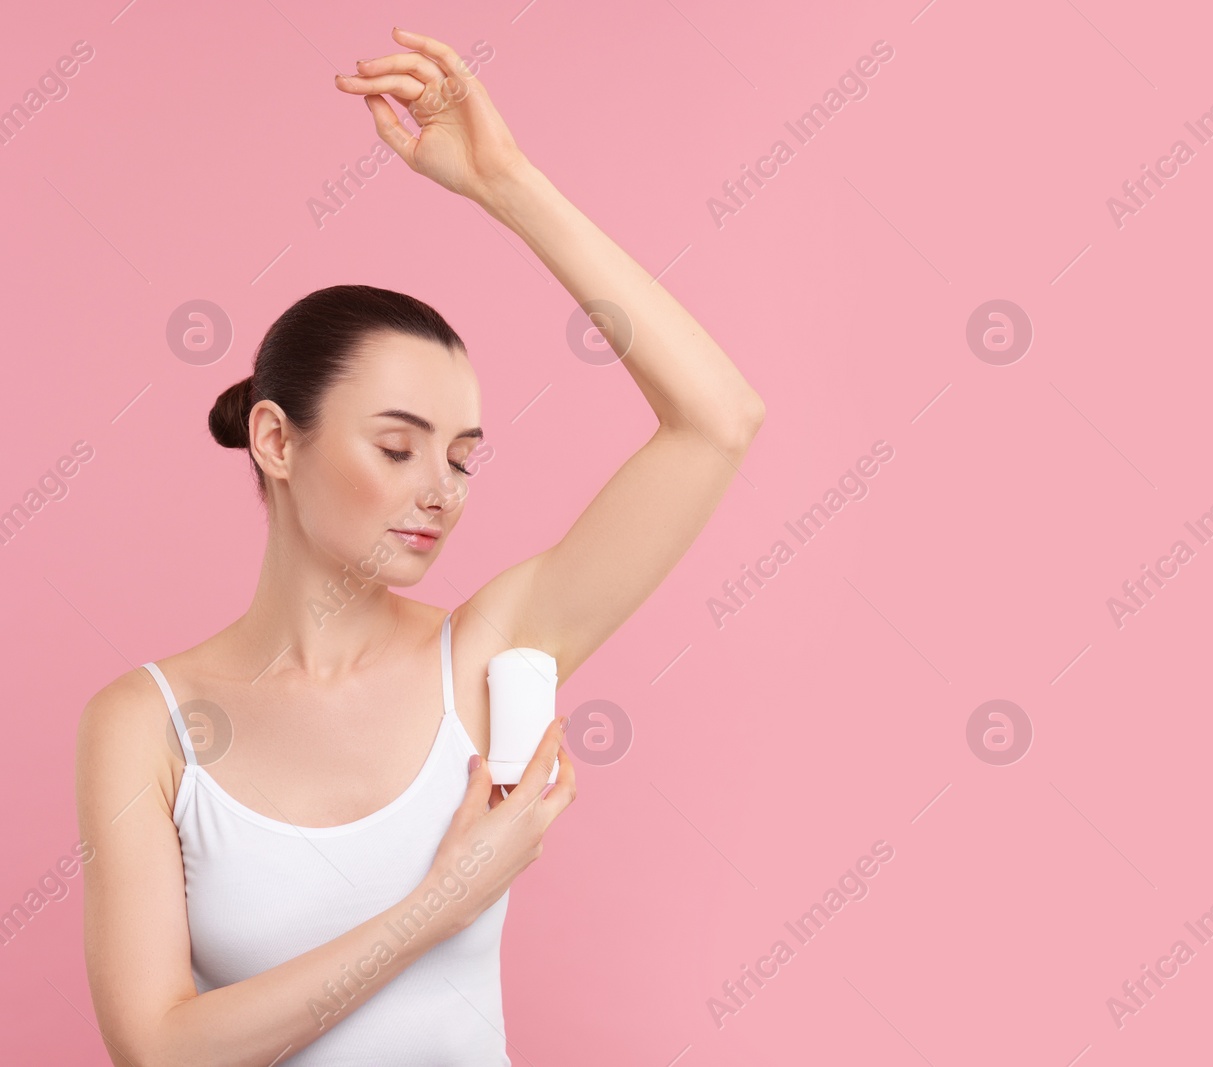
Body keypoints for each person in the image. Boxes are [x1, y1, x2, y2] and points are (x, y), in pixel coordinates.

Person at [75, 27, 764, 1066]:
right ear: (275, 438)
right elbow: (160, 1049)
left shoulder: (484, 655)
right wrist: (443, 900)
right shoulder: (145, 723)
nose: (439, 489)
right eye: (397, 446)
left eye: (463, 456)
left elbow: (718, 419)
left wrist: (506, 182)